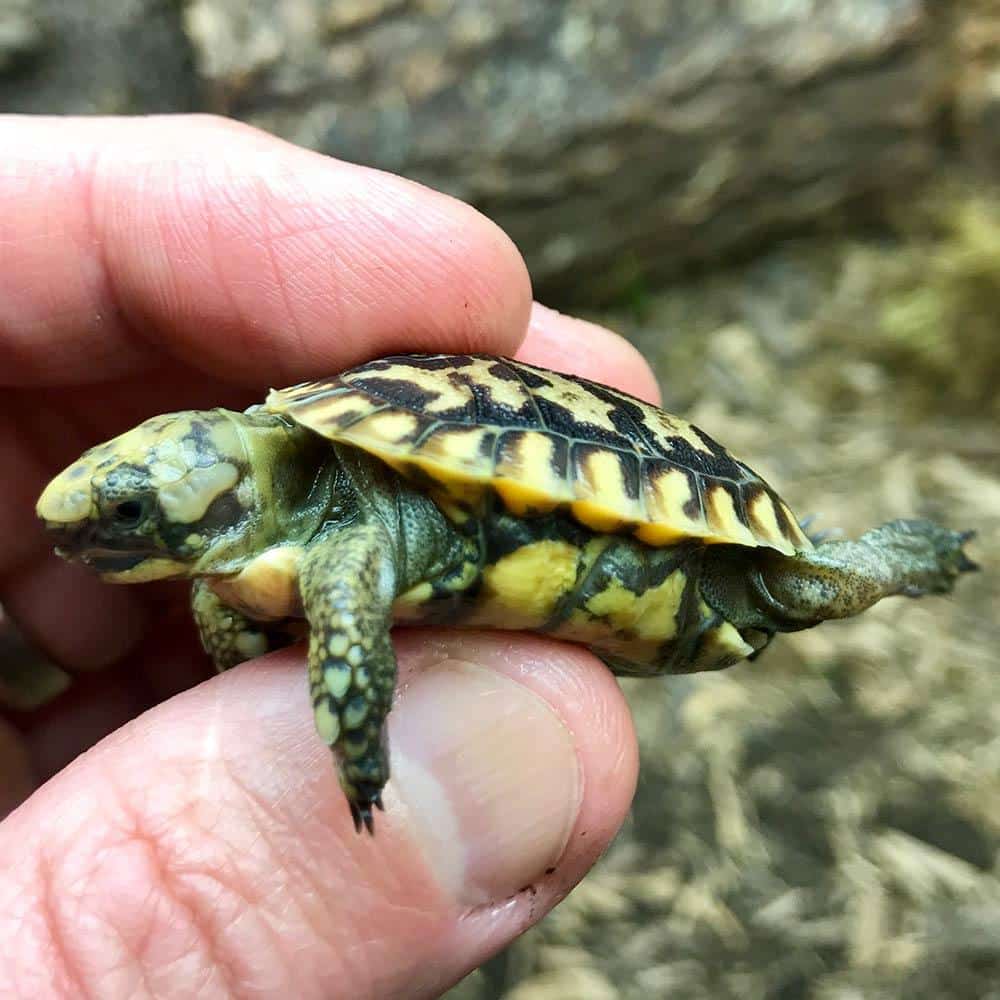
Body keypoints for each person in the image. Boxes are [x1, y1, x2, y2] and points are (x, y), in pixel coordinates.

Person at [0, 115, 660, 998]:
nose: (102, 534)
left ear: (235, 486)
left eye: (129, 512)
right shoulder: (246, 567)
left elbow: (342, 598)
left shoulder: (340, 533)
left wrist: (358, 746)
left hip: (594, 529)